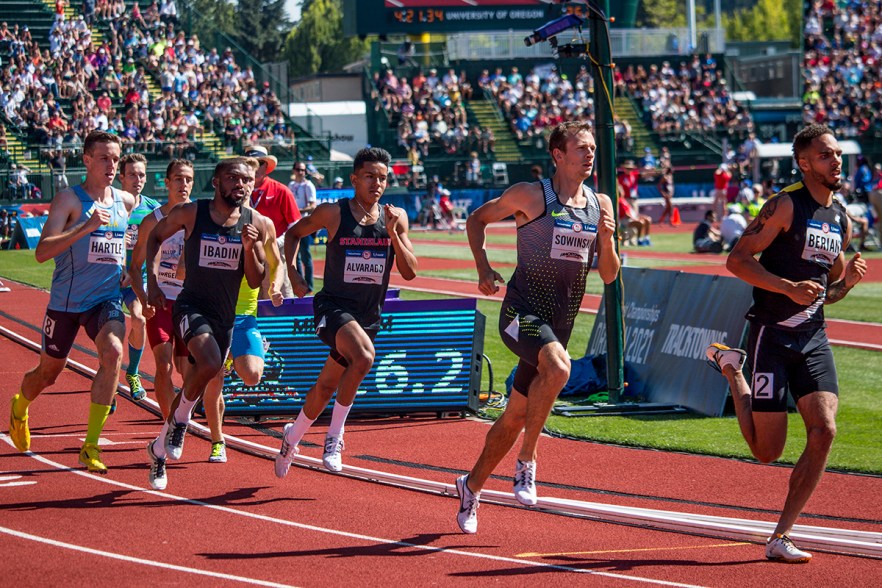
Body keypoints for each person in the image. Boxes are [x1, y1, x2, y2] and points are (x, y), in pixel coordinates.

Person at [706, 124, 867, 563]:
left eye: (837, 154)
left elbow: (826, 291)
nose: (836, 161)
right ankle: (731, 368)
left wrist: (846, 285)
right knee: (766, 452)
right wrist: (785, 287)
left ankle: (781, 535)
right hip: (770, 338)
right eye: (825, 155)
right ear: (804, 162)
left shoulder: (842, 221)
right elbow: (736, 259)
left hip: (813, 339)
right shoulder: (783, 206)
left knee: (825, 429)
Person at [455, 121, 619, 534]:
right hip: (521, 314)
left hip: (558, 325)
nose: (589, 155)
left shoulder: (601, 204)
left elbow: (610, 275)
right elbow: (476, 220)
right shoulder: (531, 195)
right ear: (558, 155)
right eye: (581, 148)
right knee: (561, 369)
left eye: (593, 148)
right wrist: (483, 267)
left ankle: (470, 486)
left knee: (513, 416)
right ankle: (527, 462)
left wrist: (609, 240)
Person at [274, 147, 418, 478]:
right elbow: (294, 233)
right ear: (354, 178)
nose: (377, 183)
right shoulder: (333, 213)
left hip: (368, 315)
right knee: (365, 358)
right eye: (370, 176)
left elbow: (410, 272)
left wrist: (395, 233)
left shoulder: (395, 217)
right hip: (333, 307)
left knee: (326, 386)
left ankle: (291, 438)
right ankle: (335, 438)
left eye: (383, 178)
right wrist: (293, 273)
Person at [7, 130, 135, 473]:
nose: (112, 165)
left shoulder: (126, 201)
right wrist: (86, 226)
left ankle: (90, 445)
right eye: (104, 158)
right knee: (48, 374)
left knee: (113, 352)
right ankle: (20, 405)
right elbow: (41, 252)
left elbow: (128, 240)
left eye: (116, 158)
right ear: (87, 160)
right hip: (66, 301)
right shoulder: (69, 200)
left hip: (105, 300)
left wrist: (128, 270)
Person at [143, 157, 267, 490]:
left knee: (207, 370)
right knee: (210, 361)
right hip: (190, 305)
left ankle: (158, 447)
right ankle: (181, 421)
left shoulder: (256, 223)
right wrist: (153, 283)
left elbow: (256, 280)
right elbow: (155, 237)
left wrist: (251, 246)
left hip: (225, 317)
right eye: (231, 178)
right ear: (215, 182)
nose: (239, 184)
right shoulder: (191, 213)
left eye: (245, 180)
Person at [202, 197, 284, 464]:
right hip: (215, 314)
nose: (242, 188)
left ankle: (248, 351)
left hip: (245, 315)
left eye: (247, 182)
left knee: (251, 376)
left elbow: (277, 262)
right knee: (215, 382)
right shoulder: (212, 220)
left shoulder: (262, 223)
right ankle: (217, 441)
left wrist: (274, 288)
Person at [128, 159, 194, 419]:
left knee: (188, 371)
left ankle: (181, 416)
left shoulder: (200, 218)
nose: (184, 184)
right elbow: (134, 267)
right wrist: (144, 299)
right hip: (162, 301)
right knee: (164, 366)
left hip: (190, 302)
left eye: (188, 179)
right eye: (178, 179)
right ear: (167, 183)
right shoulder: (152, 221)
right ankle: (170, 425)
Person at [118, 153, 161, 406]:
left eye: (142, 174)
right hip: (107, 277)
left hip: (137, 278)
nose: (138, 179)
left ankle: (132, 373)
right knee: (107, 332)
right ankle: (109, 377)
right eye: (132, 174)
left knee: (138, 318)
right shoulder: (108, 204)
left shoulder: (152, 208)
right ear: (121, 177)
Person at [246, 145, 301, 299]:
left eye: (260, 163)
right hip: (247, 253)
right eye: (251, 164)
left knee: (279, 296)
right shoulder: (238, 191)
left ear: (267, 166)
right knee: (252, 300)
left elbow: (295, 225)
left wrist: (277, 242)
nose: (255, 167)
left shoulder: (281, 190)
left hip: (275, 251)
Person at [288, 161, 317, 291]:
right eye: (298, 169)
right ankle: (299, 285)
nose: (301, 172)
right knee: (296, 256)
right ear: (293, 171)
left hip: (304, 224)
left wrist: (297, 211)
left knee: (306, 255)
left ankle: (309, 286)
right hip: (292, 224)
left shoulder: (308, 185)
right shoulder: (291, 185)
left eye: (303, 170)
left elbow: (312, 206)